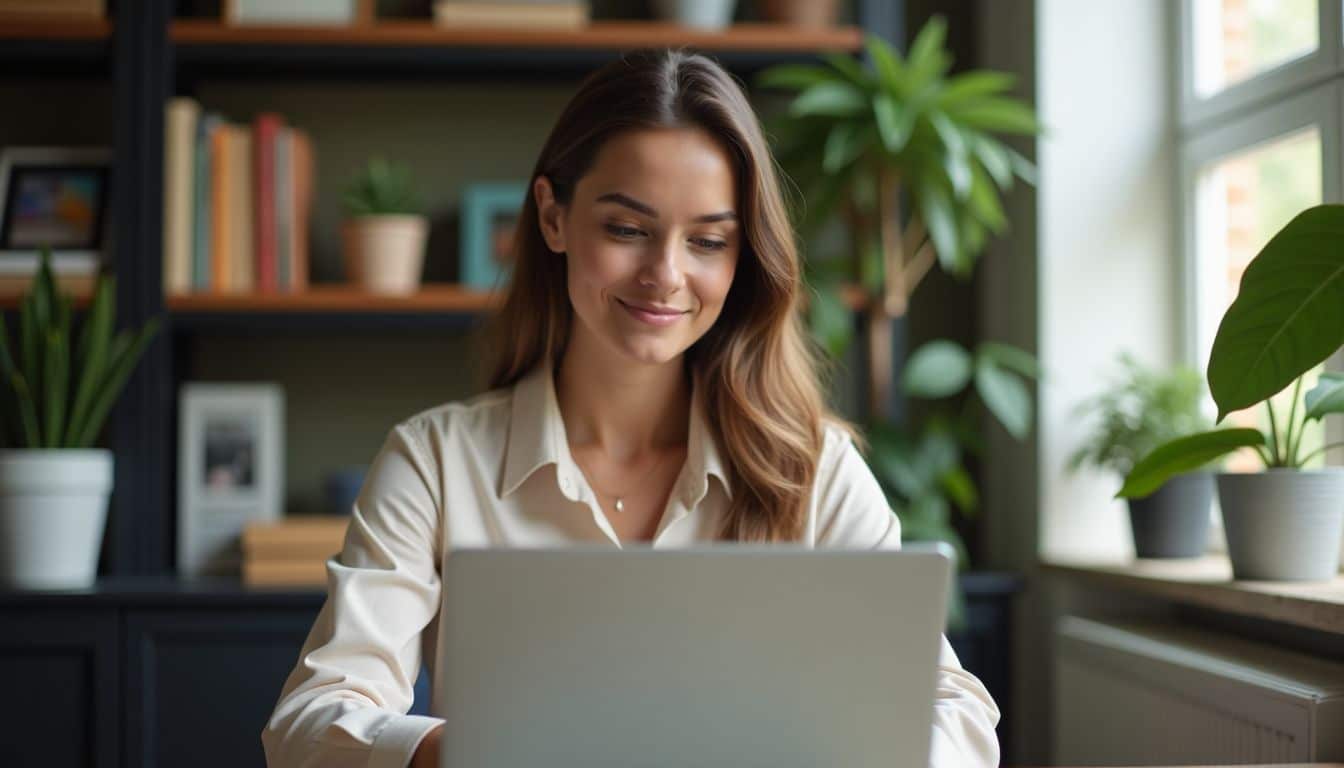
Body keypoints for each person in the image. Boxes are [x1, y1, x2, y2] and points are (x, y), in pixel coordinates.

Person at [261, 48, 1001, 768]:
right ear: (553, 217)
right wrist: (470, 752)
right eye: (626, 229)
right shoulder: (435, 462)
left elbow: (955, 710)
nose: (665, 276)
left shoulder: (813, 470)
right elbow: (309, 724)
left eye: (708, 240)